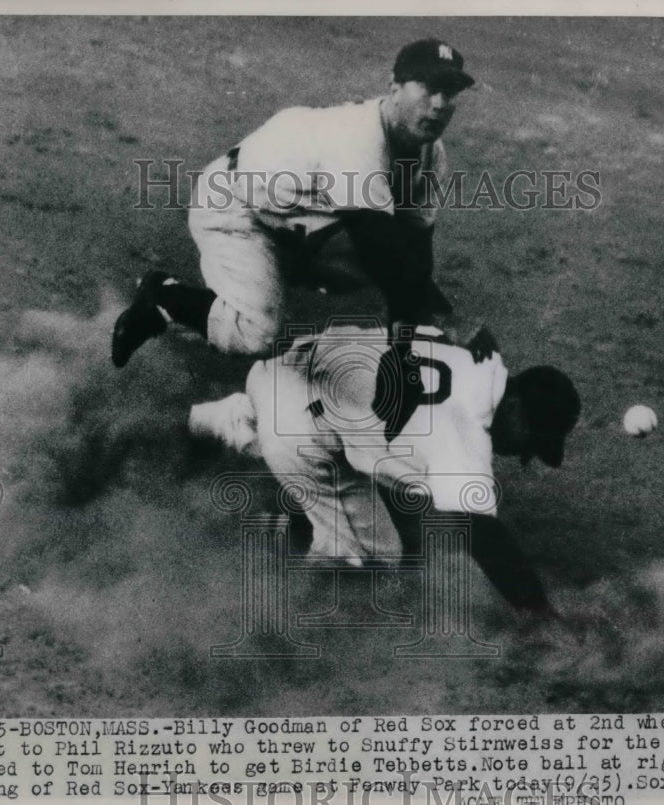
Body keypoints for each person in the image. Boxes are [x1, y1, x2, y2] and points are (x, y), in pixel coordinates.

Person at [111, 38, 488, 367]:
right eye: (428, 88)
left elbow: (417, 254)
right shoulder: (357, 139)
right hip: (234, 208)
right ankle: (163, 296)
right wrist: (434, 328)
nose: (439, 104)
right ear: (393, 86)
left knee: (392, 262)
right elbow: (386, 256)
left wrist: (422, 333)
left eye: (450, 93)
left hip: (291, 214)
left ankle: (279, 272)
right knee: (257, 334)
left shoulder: (430, 155)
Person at [184, 321, 581, 616]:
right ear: (514, 407)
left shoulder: (463, 355)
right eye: (530, 441)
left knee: (384, 482)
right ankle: (269, 616)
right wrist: (541, 614)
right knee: (373, 559)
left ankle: (195, 425)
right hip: (299, 428)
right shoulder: (466, 433)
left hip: (291, 368)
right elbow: (481, 533)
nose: (522, 454)